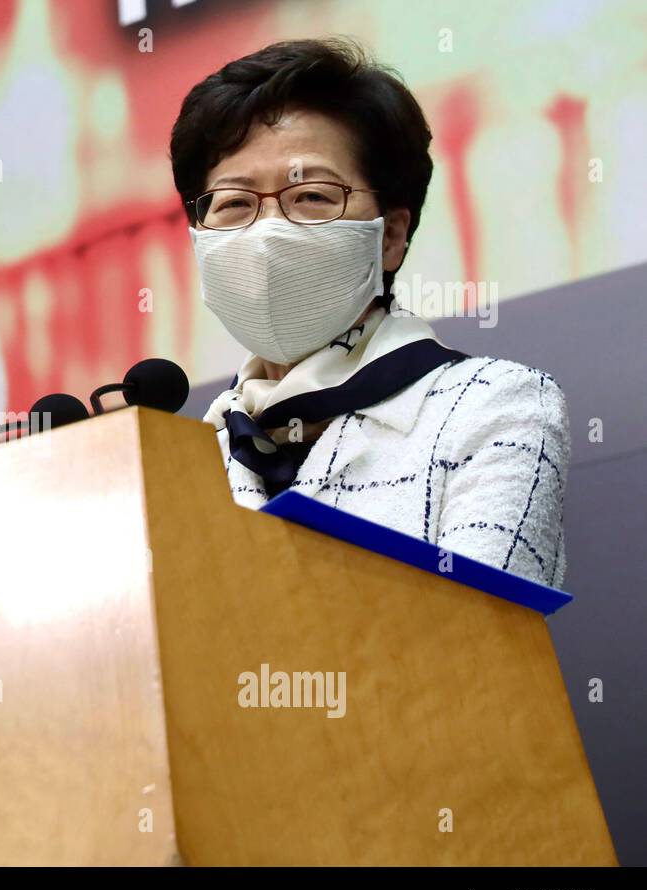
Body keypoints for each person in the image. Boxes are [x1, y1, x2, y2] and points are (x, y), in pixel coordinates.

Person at [170, 38, 568, 588]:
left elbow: (481, 643)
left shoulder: (492, 407)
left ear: (391, 236)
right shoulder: (186, 459)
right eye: (234, 203)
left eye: (310, 195)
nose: (265, 234)